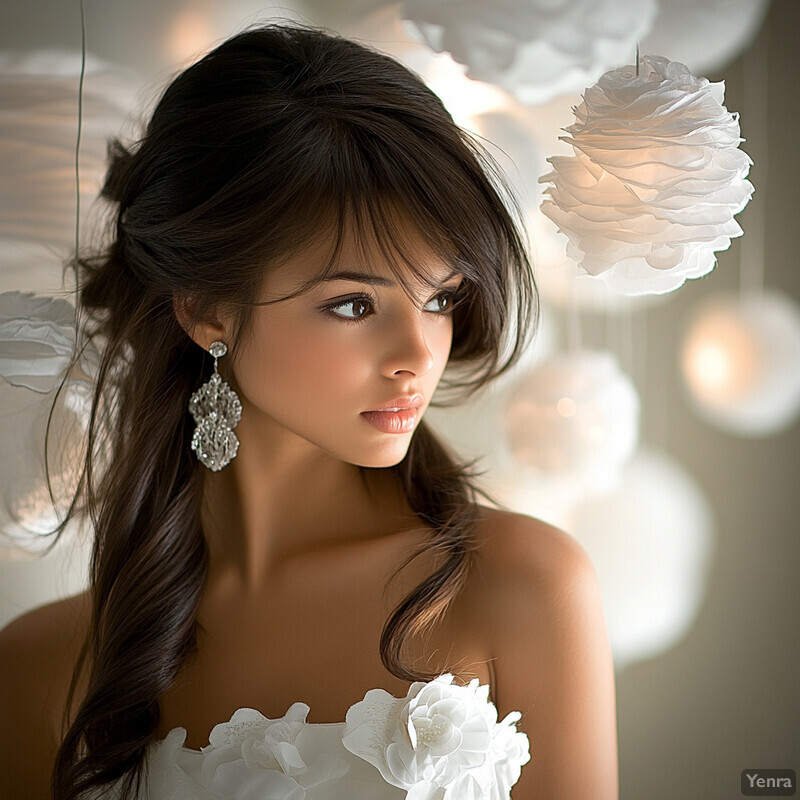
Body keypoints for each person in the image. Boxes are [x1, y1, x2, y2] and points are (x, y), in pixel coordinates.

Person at [0, 22, 618, 800]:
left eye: (438, 298)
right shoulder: (39, 670)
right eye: (355, 303)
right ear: (206, 310)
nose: (419, 354)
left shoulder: (523, 585)